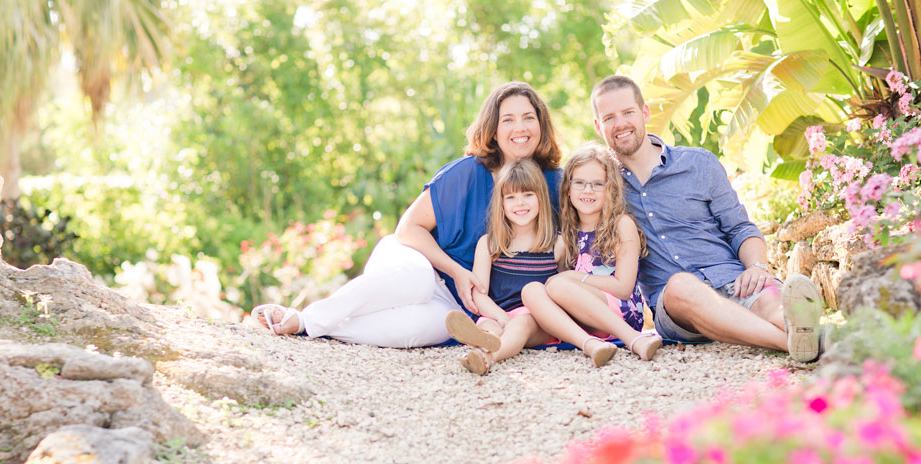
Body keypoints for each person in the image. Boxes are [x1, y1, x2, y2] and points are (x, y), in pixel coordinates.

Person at [252, 82, 562, 348]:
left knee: (419, 331)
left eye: (528, 118)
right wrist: (455, 270)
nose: (519, 128)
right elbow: (408, 229)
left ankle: (309, 327)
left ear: (541, 125)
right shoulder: (465, 174)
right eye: (508, 120)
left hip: (460, 304)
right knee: (418, 281)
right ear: (493, 130)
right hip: (416, 260)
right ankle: (308, 314)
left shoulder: (555, 184)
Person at [589, 75, 826, 362]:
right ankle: (801, 343)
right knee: (680, 285)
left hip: (733, 278)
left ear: (645, 113)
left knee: (772, 305)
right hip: (677, 304)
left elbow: (739, 227)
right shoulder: (601, 185)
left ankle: (807, 334)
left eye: (627, 112)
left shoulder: (698, 164)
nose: (621, 123)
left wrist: (757, 266)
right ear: (598, 126)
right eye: (609, 117)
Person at [519, 144, 663, 361]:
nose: (587, 191)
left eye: (597, 184)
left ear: (611, 189)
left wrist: (575, 278)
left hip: (619, 312)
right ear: (568, 188)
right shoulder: (567, 230)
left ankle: (634, 339)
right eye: (579, 183)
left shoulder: (621, 224)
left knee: (558, 284)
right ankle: (590, 345)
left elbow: (623, 288)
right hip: (581, 315)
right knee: (531, 291)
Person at [442, 159, 570, 374]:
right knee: (487, 326)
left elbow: (565, 293)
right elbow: (479, 293)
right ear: (501, 204)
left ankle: (488, 358)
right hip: (498, 314)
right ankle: (484, 344)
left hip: (537, 322)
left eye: (528, 195)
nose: (519, 203)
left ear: (542, 198)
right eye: (511, 197)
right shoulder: (490, 244)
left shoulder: (557, 245)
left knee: (521, 323)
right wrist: (500, 317)